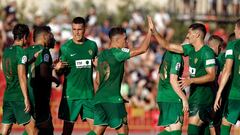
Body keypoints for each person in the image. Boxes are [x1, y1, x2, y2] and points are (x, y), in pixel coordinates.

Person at [91, 16, 153, 135]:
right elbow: (143, 49)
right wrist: (150, 31)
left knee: (97, 132)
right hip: (113, 100)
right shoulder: (118, 53)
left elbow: (98, 81)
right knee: (123, 131)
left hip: (100, 99)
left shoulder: (102, 55)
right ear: (117, 40)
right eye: (125, 39)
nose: (127, 42)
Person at [152, 23, 216, 135]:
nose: (187, 36)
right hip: (194, 98)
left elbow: (212, 75)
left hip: (202, 100)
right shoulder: (190, 49)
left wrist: (191, 80)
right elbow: (167, 46)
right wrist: (154, 31)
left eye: (189, 33)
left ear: (197, 35)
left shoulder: (207, 52)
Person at [55, 17, 98, 135]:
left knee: (97, 130)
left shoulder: (92, 46)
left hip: (88, 95)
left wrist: (98, 66)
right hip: (71, 95)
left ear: (85, 29)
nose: (76, 32)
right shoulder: (65, 48)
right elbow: (60, 72)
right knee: (67, 132)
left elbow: (96, 66)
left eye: (79, 29)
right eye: (74, 29)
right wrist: (58, 70)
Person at [152, 21, 189, 135]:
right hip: (173, 97)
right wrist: (184, 98)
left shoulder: (167, 53)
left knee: (168, 131)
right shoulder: (177, 56)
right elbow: (173, 79)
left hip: (162, 96)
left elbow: (160, 75)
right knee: (176, 131)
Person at [1, 23, 37, 135]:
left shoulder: (6, 51)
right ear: (25, 36)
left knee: (5, 131)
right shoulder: (21, 52)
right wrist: (26, 98)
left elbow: (15, 68)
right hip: (18, 97)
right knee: (33, 131)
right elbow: (21, 76)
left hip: (8, 96)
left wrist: (32, 59)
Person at [24, 26, 59, 135]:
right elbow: (43, 73)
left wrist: (51, 67)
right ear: (44, 37)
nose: (53, 38)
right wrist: (55, 79)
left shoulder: (27, 51)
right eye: (51, 35)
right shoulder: (44, 51)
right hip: (39, 98)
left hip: (28, 95)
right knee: (45, 130)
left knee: (32, 128)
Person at [214, 19, 240, 135]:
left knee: (225, 123)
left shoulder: (233, 45)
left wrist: (219, 93)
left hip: (234, 94)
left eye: (235, 28)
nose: (234, 30)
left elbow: (227, 71)